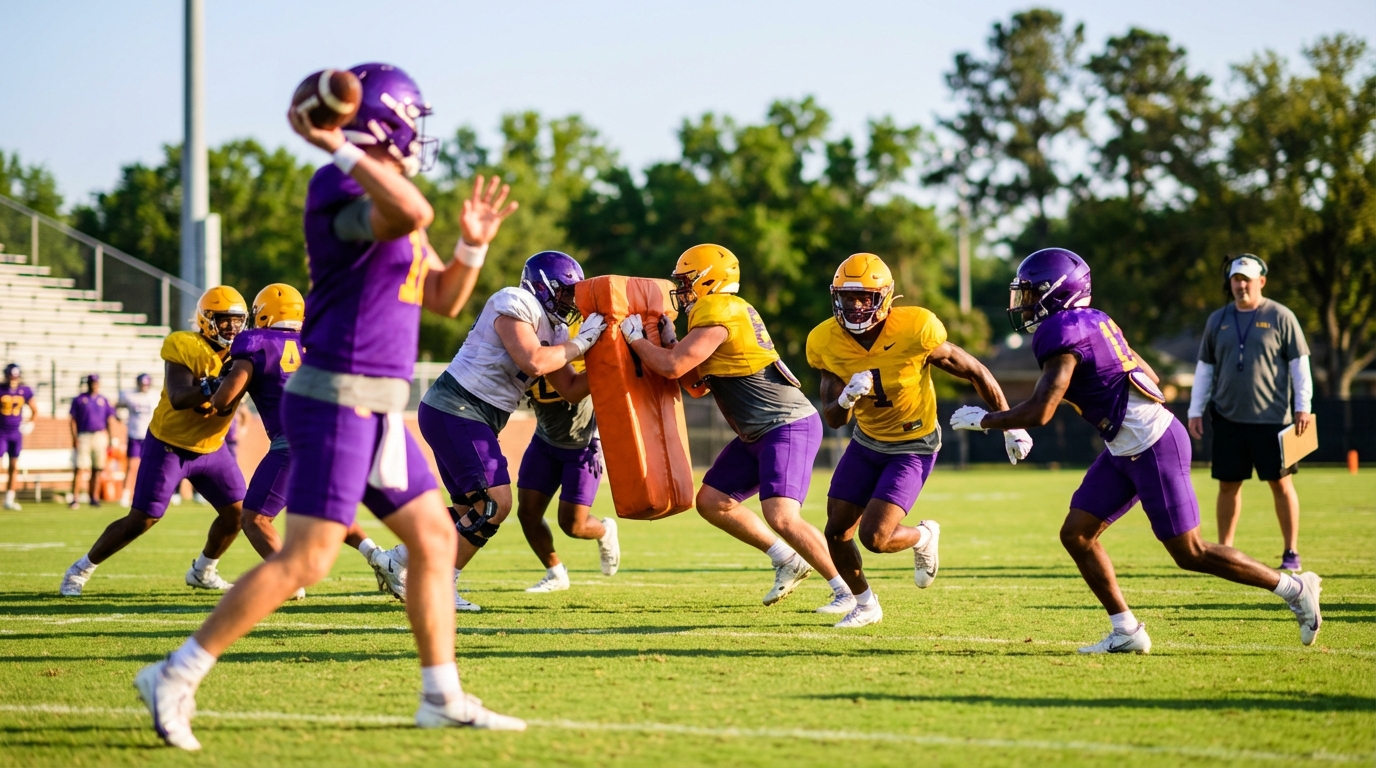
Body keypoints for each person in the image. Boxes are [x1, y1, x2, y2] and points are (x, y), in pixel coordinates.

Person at [133, 62, 523, 751]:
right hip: (339, 398)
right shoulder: (339, 183)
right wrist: (334, 142)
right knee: (308, 560)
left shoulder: (391, 194)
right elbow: (410, 213)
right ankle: (174, 673)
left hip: (379, 407)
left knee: (435, 542)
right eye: (410, 121)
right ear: (381, 124)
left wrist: (473, 243)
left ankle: (441, 697)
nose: (418, 136)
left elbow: (443, 298)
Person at [952, 248, 1321, 654]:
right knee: (1077, 534)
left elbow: (1041, 411)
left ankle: (1294, 588)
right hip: (1124, 447)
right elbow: (1152, 375)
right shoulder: (1095, 320)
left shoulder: (1062, 332)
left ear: (1057, 292)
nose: (1024, 304)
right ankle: (1126, 629)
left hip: (1153, 444)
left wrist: (987, 420)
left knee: (1191, 552)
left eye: (1031, 293)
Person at [621, 244, 852, 612]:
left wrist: (636, 340)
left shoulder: (718, 308)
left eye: (687, 281)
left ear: (708, 279)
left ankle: (850, 591)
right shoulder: (722, 311)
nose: (682, 290)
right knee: (713, 502)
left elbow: (672, 366)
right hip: (758, 432)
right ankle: (787, 559)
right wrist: (668, 341)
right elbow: (695, 384)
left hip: (785, 425)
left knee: (781, 515)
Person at [373, 251, 608, 611]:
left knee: (469, 509)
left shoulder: (557, 329)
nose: (569, 302)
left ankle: (397, 559)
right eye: (564, 292)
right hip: (458, 407)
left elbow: (572, 389)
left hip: (467, 415)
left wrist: (612, 361)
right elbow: (534, 361)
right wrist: (582, 343)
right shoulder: (514, 301)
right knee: (495, 504)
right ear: (542, 286)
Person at [806, 253, 1031, 628]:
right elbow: (834, 418)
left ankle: (924, 536)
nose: (856, 306)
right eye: (848, 297)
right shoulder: (824, 340)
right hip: (866, 441)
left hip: (913, 445)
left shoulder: (916, 328)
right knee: (836, 531)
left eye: (865, 297)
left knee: (876, 537)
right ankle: (865, 605)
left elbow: (974, 370)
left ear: (884, 298)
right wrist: (846, 398)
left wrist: (1010, 424)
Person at [60, 287, 250, 596]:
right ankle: (80, 569)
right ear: (206, 320)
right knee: (143, 519)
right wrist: (213, 385)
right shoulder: (184, 344)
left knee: (239, 514)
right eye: (224, 320)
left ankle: (203, 570)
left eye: (237, 320)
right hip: (169, 445)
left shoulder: (246, 352)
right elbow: (178, 396)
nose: (232, 327)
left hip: (212, 448)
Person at [206, 283, 387, 600]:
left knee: (255, 518)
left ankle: (290, 580)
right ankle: (379, 557)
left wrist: (218, 383)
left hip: (294, 441)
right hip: (336, 438)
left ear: (264, 315)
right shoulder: (316, 342)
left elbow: (223, 401)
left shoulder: (255, 343)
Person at [1187, 254, 1313, 572]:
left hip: (1273, 419)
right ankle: (1225, 552)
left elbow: (1300, 366)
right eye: (1236, 279)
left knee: (1281, 484)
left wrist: (1303, 407)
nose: (1241, 285)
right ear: (1229, 283)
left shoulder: (1281, 316)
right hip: (1227, 418)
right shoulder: (1218, 319)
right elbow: (1204, 368)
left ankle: (1291, 552)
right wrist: (1195, 410)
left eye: (1246, 279)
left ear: (1261, 281)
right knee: (1227, 485)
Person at [516, 305, 618, 593]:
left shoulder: (575, 338)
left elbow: (588, 379)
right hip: (545, 440)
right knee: (527, 513)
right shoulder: (520, 343)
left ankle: (605, 530)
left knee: (573, 525)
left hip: (582, 445)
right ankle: (555, 572)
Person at [68, 374, 117, 509]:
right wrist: (74, 437)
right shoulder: (79, 399)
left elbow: (109, 420)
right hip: (84, 435)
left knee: (97, 468)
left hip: (99, 435)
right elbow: (73, 420)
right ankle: (75, 498)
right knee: (79, 467)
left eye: (95, 383)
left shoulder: (103, 400)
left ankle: (93, 497)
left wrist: (110, 439)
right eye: (91, 383)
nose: (94, 385)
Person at [117, 373, 159, 507]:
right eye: (142, 384)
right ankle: (126, 494)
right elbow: (117, 406)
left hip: (151, 435)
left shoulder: (155, 395)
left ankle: (150, 495)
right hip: (135, 435)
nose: (144, 386)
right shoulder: (129, 395)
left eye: (146, 384)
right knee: (132, 466)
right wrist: (120, 416)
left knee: (151, 467)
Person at [1, 364, 37, 510]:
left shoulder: (24, 390)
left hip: (16, 433)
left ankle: (9, 498)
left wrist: (31, 423)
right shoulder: (1, 389)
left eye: (15, 376)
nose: (13, 379)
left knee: (14, 465)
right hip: (1, 432)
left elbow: (35, 409)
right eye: (11, 376)